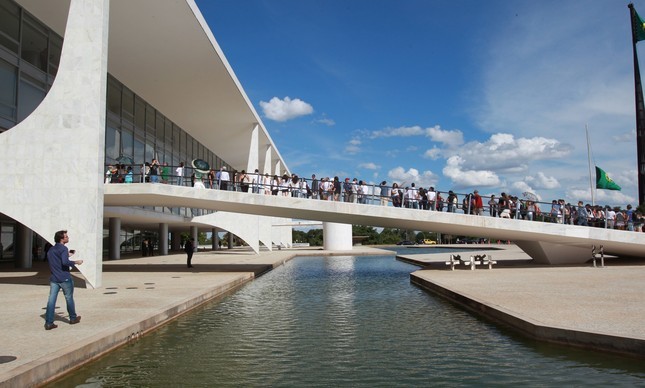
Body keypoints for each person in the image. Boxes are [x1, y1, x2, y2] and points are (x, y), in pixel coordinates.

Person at [44, 230, 83, 330]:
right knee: (69, 298)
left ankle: (48, 323)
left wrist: (67, 255)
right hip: (64, 278)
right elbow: (65, 262)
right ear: (62, 239)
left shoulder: (51, 250)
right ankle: (73, 318)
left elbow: (57, 260)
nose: (68, 238)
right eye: (66, 236)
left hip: (54, 278)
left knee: (51, 300)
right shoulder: (63, 248)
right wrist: (76, 262)